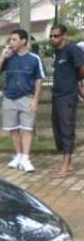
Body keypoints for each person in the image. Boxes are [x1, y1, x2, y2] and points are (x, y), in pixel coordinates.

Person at [0, 28, 45, 173]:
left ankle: (26, 159)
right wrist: (2, 57)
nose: (11, 42)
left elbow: (38, 80)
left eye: (14, 39)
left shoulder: (34, 58)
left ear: (23, 41)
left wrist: (35, 100)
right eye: (10, 40)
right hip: (9, 98)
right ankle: (18, 155)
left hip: (26, 98)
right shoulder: (8, 58)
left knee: (27, 129)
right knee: (13, 129)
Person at [49, 25, 84, 178]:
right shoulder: (58, 52)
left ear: (64, 35)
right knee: (58, 130)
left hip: (68, 96)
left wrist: (75, 82)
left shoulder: (72, 49)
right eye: (51, 36)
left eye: (56, 36)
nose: (53, 39)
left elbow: (82, 69)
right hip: (57, 95)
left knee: (66, 130)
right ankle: (67, 164)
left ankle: (65, 165)